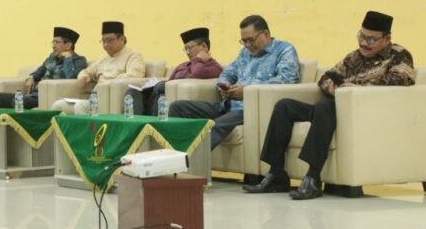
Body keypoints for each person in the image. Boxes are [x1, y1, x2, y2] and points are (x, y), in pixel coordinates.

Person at [244, 11, 415, 199]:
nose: (364, 43)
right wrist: (340, 90)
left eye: (371, 39)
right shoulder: (354, 57)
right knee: (284, 106)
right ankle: (276, 173)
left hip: (363, 112)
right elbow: (326, 78)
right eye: (361, 36)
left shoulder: (399, 55)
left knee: (324, 106)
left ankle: (313, 178)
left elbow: (402, 80)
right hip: (335, 107)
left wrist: (358, 89)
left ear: (387, 38)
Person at [169, 15, 300, 149]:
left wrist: (247, 90)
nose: (247, 45)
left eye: (251, 40)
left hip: (250, 109)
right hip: (226, 106)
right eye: (244, 41)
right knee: (178, 107)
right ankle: (173, 154)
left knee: (214, 125)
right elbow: (227, 73)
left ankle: (188, 158)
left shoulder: (284, 50)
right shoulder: (244, 53)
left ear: (265, 34)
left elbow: (287, 79)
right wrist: (224, 86)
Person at [51, 21, 145, 115]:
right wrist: (84, 76)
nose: (105, 44)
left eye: (109, 40)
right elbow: (87, 71)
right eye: (103, 41)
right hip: (96, 99)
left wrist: (108, 82)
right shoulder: (103, 58)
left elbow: (135, 77)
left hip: (113, 101)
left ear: (122, 39)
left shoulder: (133, 56)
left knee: (80, 106)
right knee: (59, 105)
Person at [126, 27, 222, 115]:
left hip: (170, 104)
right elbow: (169, 82)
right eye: (185, 49)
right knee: (133, 91)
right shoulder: (182, 66)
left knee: (162, 88)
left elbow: (198, 72)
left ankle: (154, 125)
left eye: (189, 48)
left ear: (204, 46)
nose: (187, 53)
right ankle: (135, 125)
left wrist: (198, 60)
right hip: (157, 99)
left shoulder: (214, 67)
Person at [0, 27, 86, 109]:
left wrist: (68, 58)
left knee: (20, 101)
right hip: (33, 96)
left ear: (68, 45)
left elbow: (71, 77)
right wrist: (31, 77)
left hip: (49, 98)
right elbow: (39, 71)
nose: (53, 46)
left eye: (57, 42)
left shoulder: (79, 61)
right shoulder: (51, 58)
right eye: (53, 42)